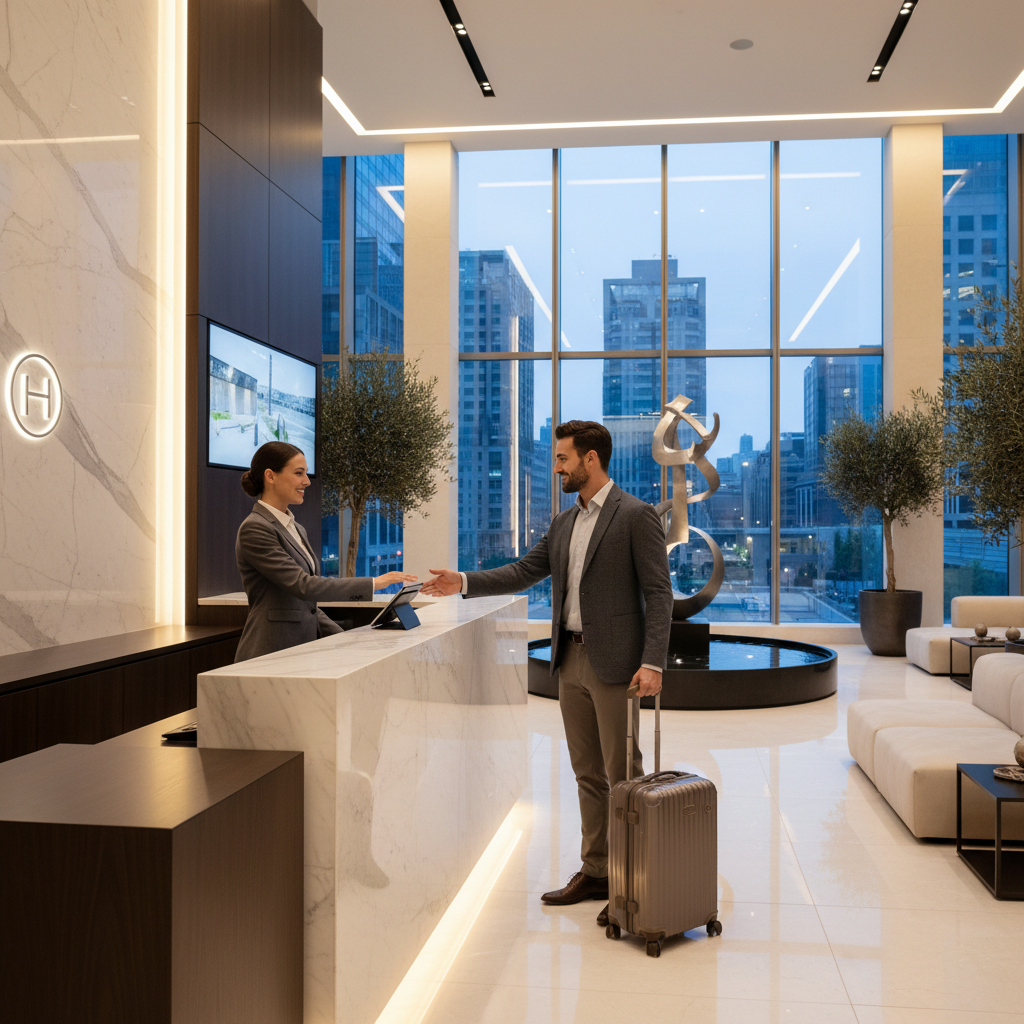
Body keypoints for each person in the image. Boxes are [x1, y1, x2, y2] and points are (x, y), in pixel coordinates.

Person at [422, 420, 672, 926]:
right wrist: (462, 580)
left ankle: (632, 882)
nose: (556, 468)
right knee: (587, 774)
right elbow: (522, 571)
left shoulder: (635, 515)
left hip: (616, 666)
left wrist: (652, 661)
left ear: (590, 459)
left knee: (623, 775)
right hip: (570, 660)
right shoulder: (563, 523)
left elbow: (659, 592)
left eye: (562, 459)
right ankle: (596, 870)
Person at [234, 441, 416, 662]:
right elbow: (304, 585)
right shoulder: (255, 528)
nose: (307, 481)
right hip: (268, 652)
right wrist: (373, 583)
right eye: (299, 473)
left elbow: (307, 607)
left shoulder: (296, 528)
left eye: (306, 473)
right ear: (270, 476)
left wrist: (346, 639)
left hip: (300, 653)